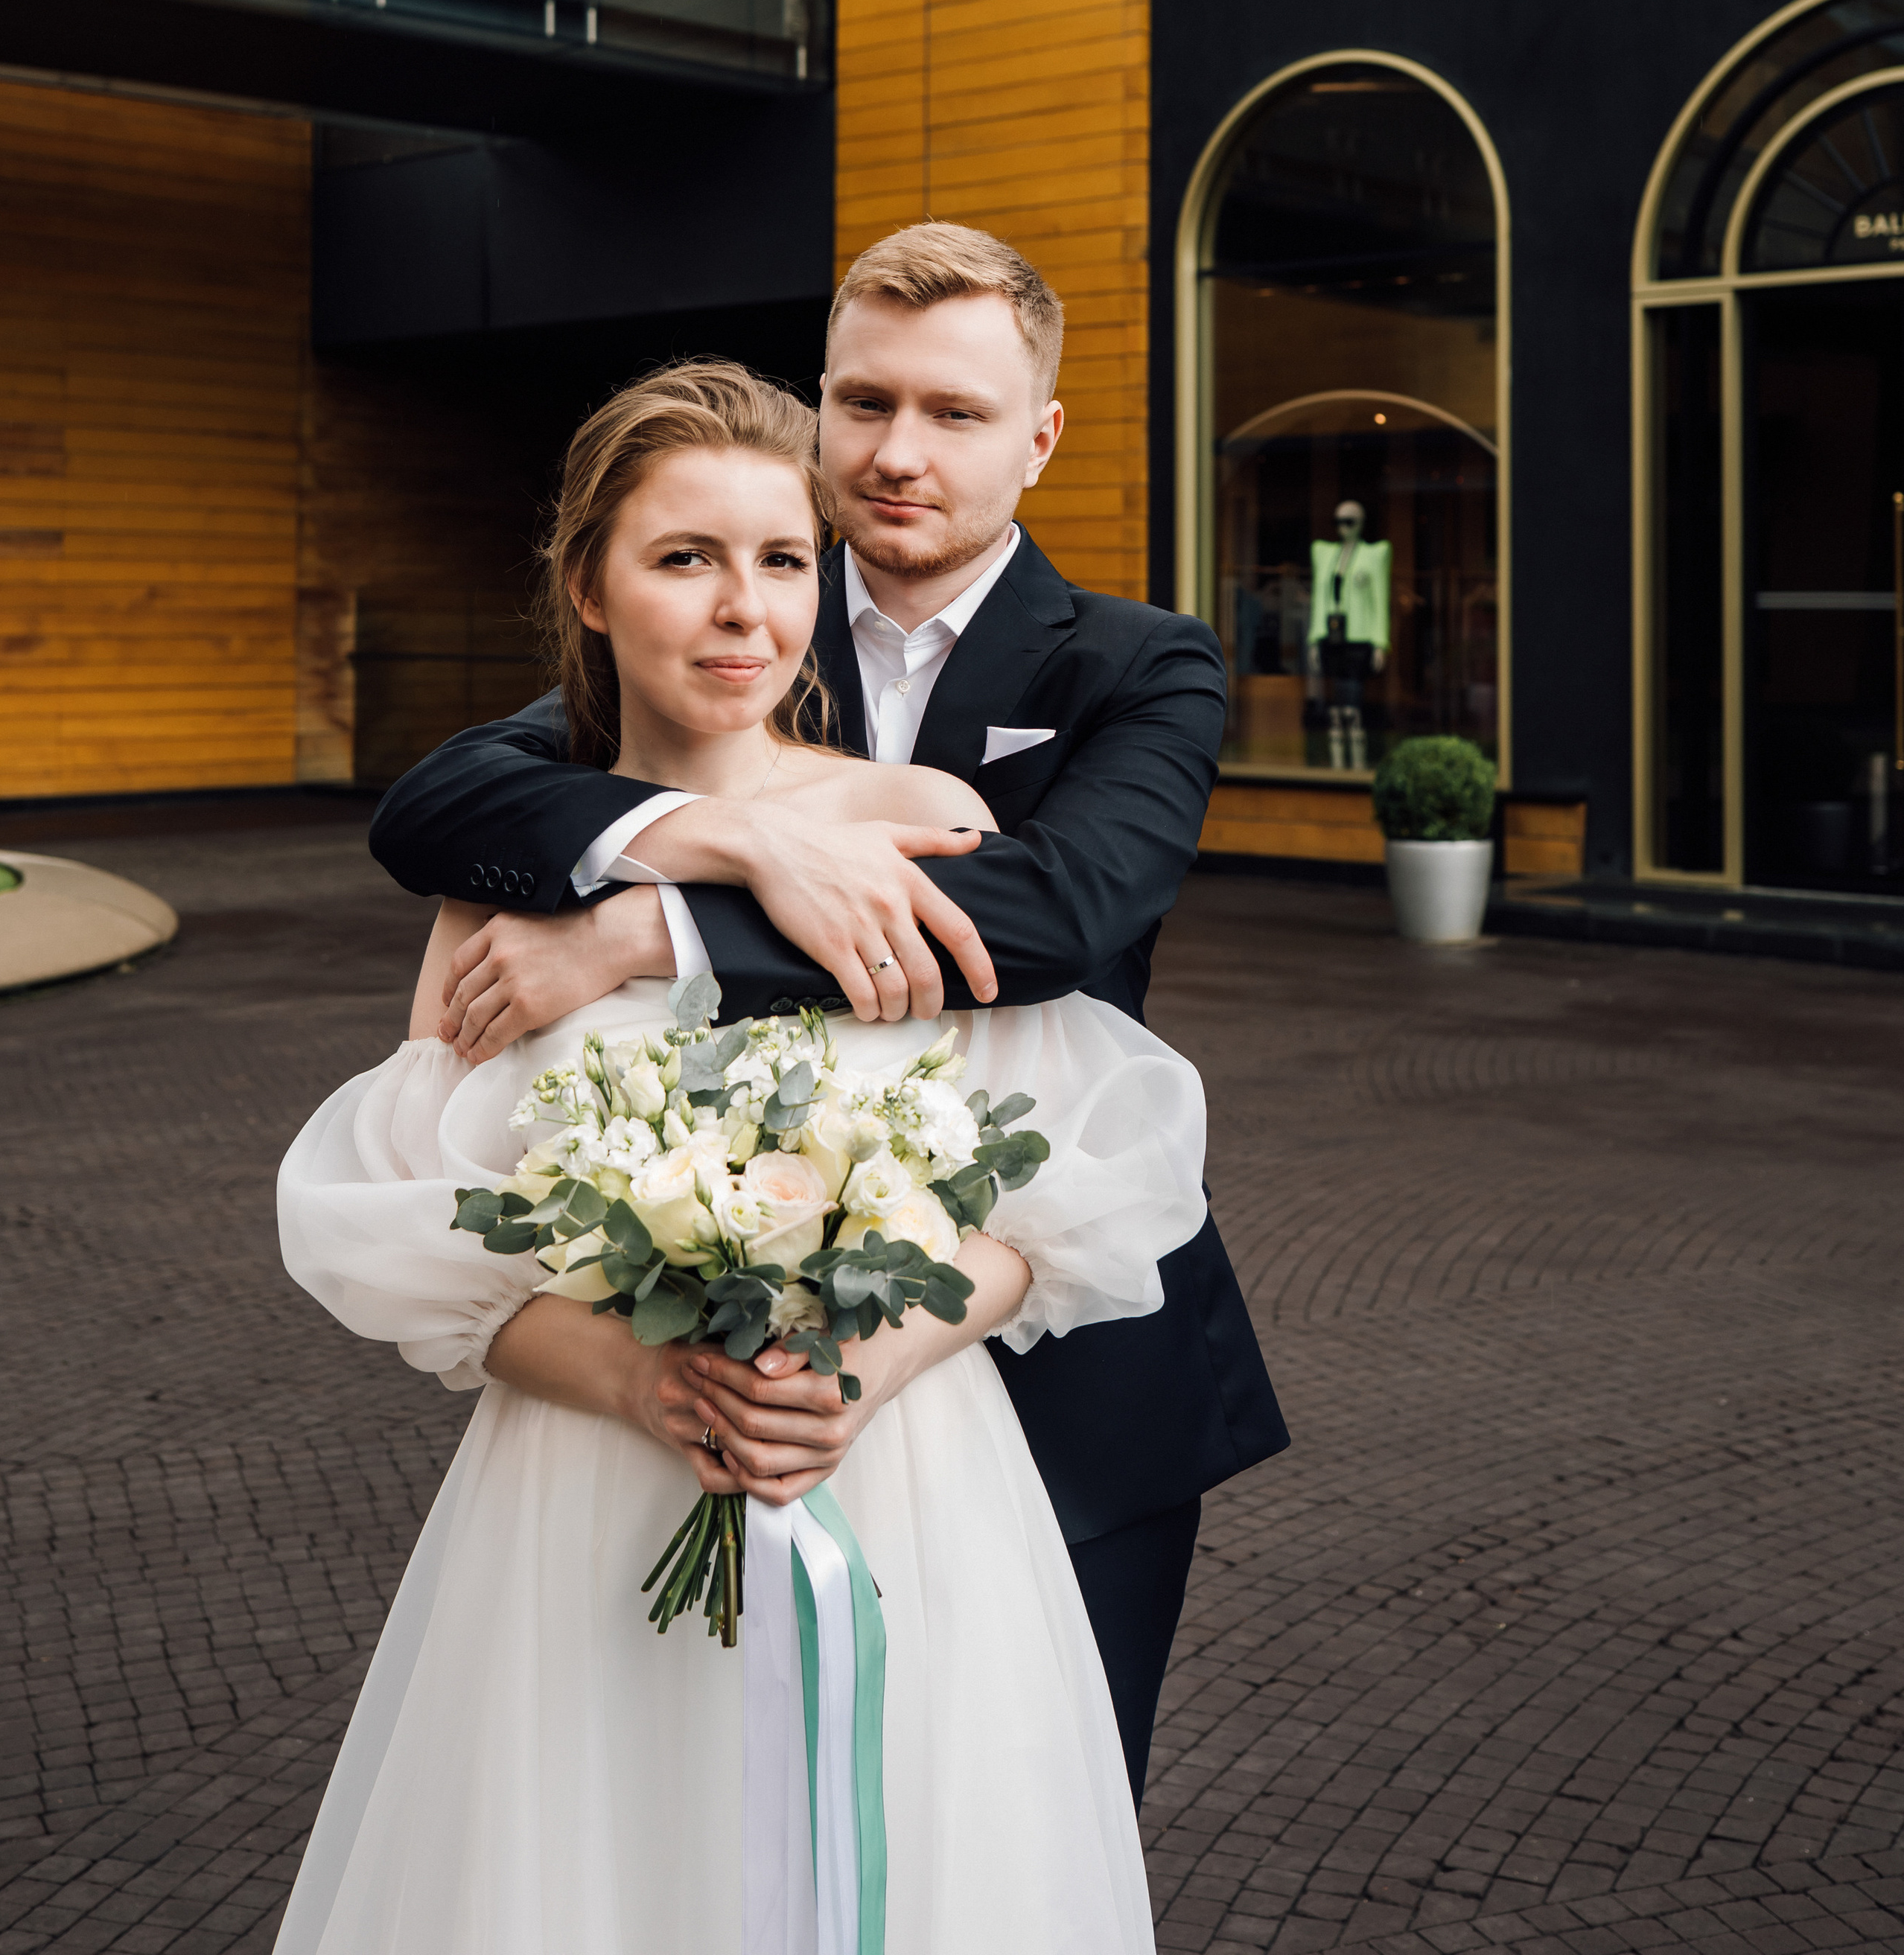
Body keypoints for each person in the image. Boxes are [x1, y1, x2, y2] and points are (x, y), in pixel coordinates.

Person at [276, 362, 1211, 1953]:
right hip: (589, 1493)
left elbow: (1060, 1183)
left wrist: (869, 1365)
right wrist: (646, 1383)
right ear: (587, 583)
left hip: (903, 1471)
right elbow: (414, 1238)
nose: (741, 613)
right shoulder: (506, 878)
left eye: (782, 562)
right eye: (682, 558)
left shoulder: (917, 819)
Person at [369, 222, 1289, 1796]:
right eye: (861, 404)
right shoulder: (744, 627)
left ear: (1039, 437)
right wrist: (722, 835)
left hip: (1064, 1355)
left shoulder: (1142, 664)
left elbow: (1057, 912)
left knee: (1018, 1816)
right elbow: (448, 802)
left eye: (953, 413)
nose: (896, 453)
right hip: (711, 1386)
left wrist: (650, 932)